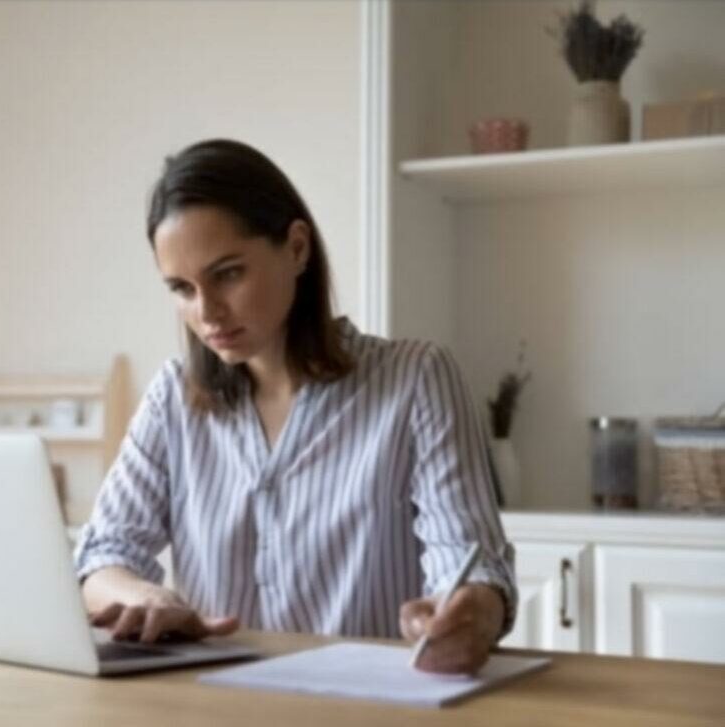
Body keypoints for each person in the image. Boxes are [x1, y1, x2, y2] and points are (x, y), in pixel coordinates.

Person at [73, 139, 516, 674]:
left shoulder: (416, 380)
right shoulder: (173, 398)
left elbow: (469, 561)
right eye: (182, 288)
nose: (207, 311)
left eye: (228, 273)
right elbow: (101, 558)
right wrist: (143, 596)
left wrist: (472, 613)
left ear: (297, 248)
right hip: (214, 710)